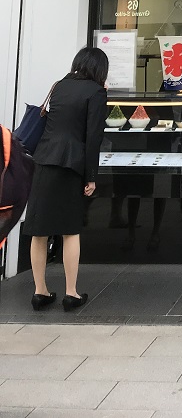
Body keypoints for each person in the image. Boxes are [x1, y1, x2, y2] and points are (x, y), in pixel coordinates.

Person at [23, 46, 108, 312]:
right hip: (71, 164)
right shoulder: (96, 92)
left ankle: (40, 292)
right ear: (99, 69)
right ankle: (71, 293)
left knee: (39, 230)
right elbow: (93, 138)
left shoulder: (59, 85)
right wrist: (91, 176)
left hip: (43, 160)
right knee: (70, 231)